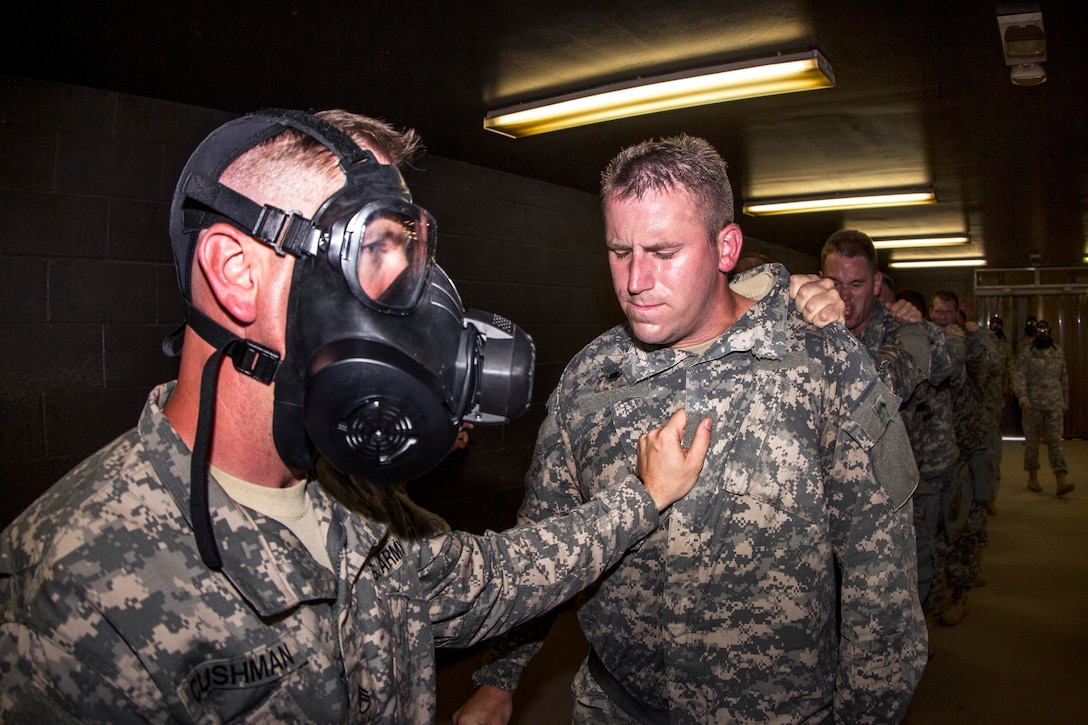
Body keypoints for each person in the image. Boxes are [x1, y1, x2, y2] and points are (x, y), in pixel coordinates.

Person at [0, 109, 716, 724]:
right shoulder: (71, 591)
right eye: (375, 250)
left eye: (408, 260)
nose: (405, 297)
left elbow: (495, 579)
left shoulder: (354, 504)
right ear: (236, 271)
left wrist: (643, 497)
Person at [456, 135, 926, 724]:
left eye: (664, 252)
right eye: (619, 251)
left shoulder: (823, 364)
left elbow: (879, 577)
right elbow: (549, 536)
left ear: (726, 248)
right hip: (616, 706)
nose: (635, 280)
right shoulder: (591, 379)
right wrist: (501, 677)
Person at [820, 230, 939, 605]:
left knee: (894, 596)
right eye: (834, 283)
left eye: (856, 283)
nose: (843, 295)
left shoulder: (903, 329)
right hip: (828, 498)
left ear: (876, 284)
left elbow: (890, 378)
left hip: (888, 494)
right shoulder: (807, 331)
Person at [930, 289, 993, 624]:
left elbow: (983, 374)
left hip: (968, 444)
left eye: (948, 313)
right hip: (940, 448)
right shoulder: (928, 342)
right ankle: (937, 599)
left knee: (966, 520)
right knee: (939, 528)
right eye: (938, 312)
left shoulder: (970, 344)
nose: (943, 319)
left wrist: (965, 340)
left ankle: (961, 591)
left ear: (958, 313)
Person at [1014, 320, 1072, 496]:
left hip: (1054, 403)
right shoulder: (1027, 353)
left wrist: (1065, 401)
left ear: (1049, 333)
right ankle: (1033, 477)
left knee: (1056, 442)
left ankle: (1060, 479)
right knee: (1032, 443)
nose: (1042, 335)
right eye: (1039, 332)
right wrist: (1022, 398)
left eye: (1045, 332)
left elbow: (1064, 377)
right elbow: (1020, 376)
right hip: (1033, 405)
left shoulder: (1058, 351)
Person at [985, 315, 1015, 512]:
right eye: (993, 324)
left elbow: (1009, 367)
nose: (996, 327)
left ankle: (990, 496)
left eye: (998, 324)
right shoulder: (982, 341)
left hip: (994, 404)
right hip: (979, 405)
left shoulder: (1005, 346)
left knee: (993, 451)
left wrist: (1011, 384)